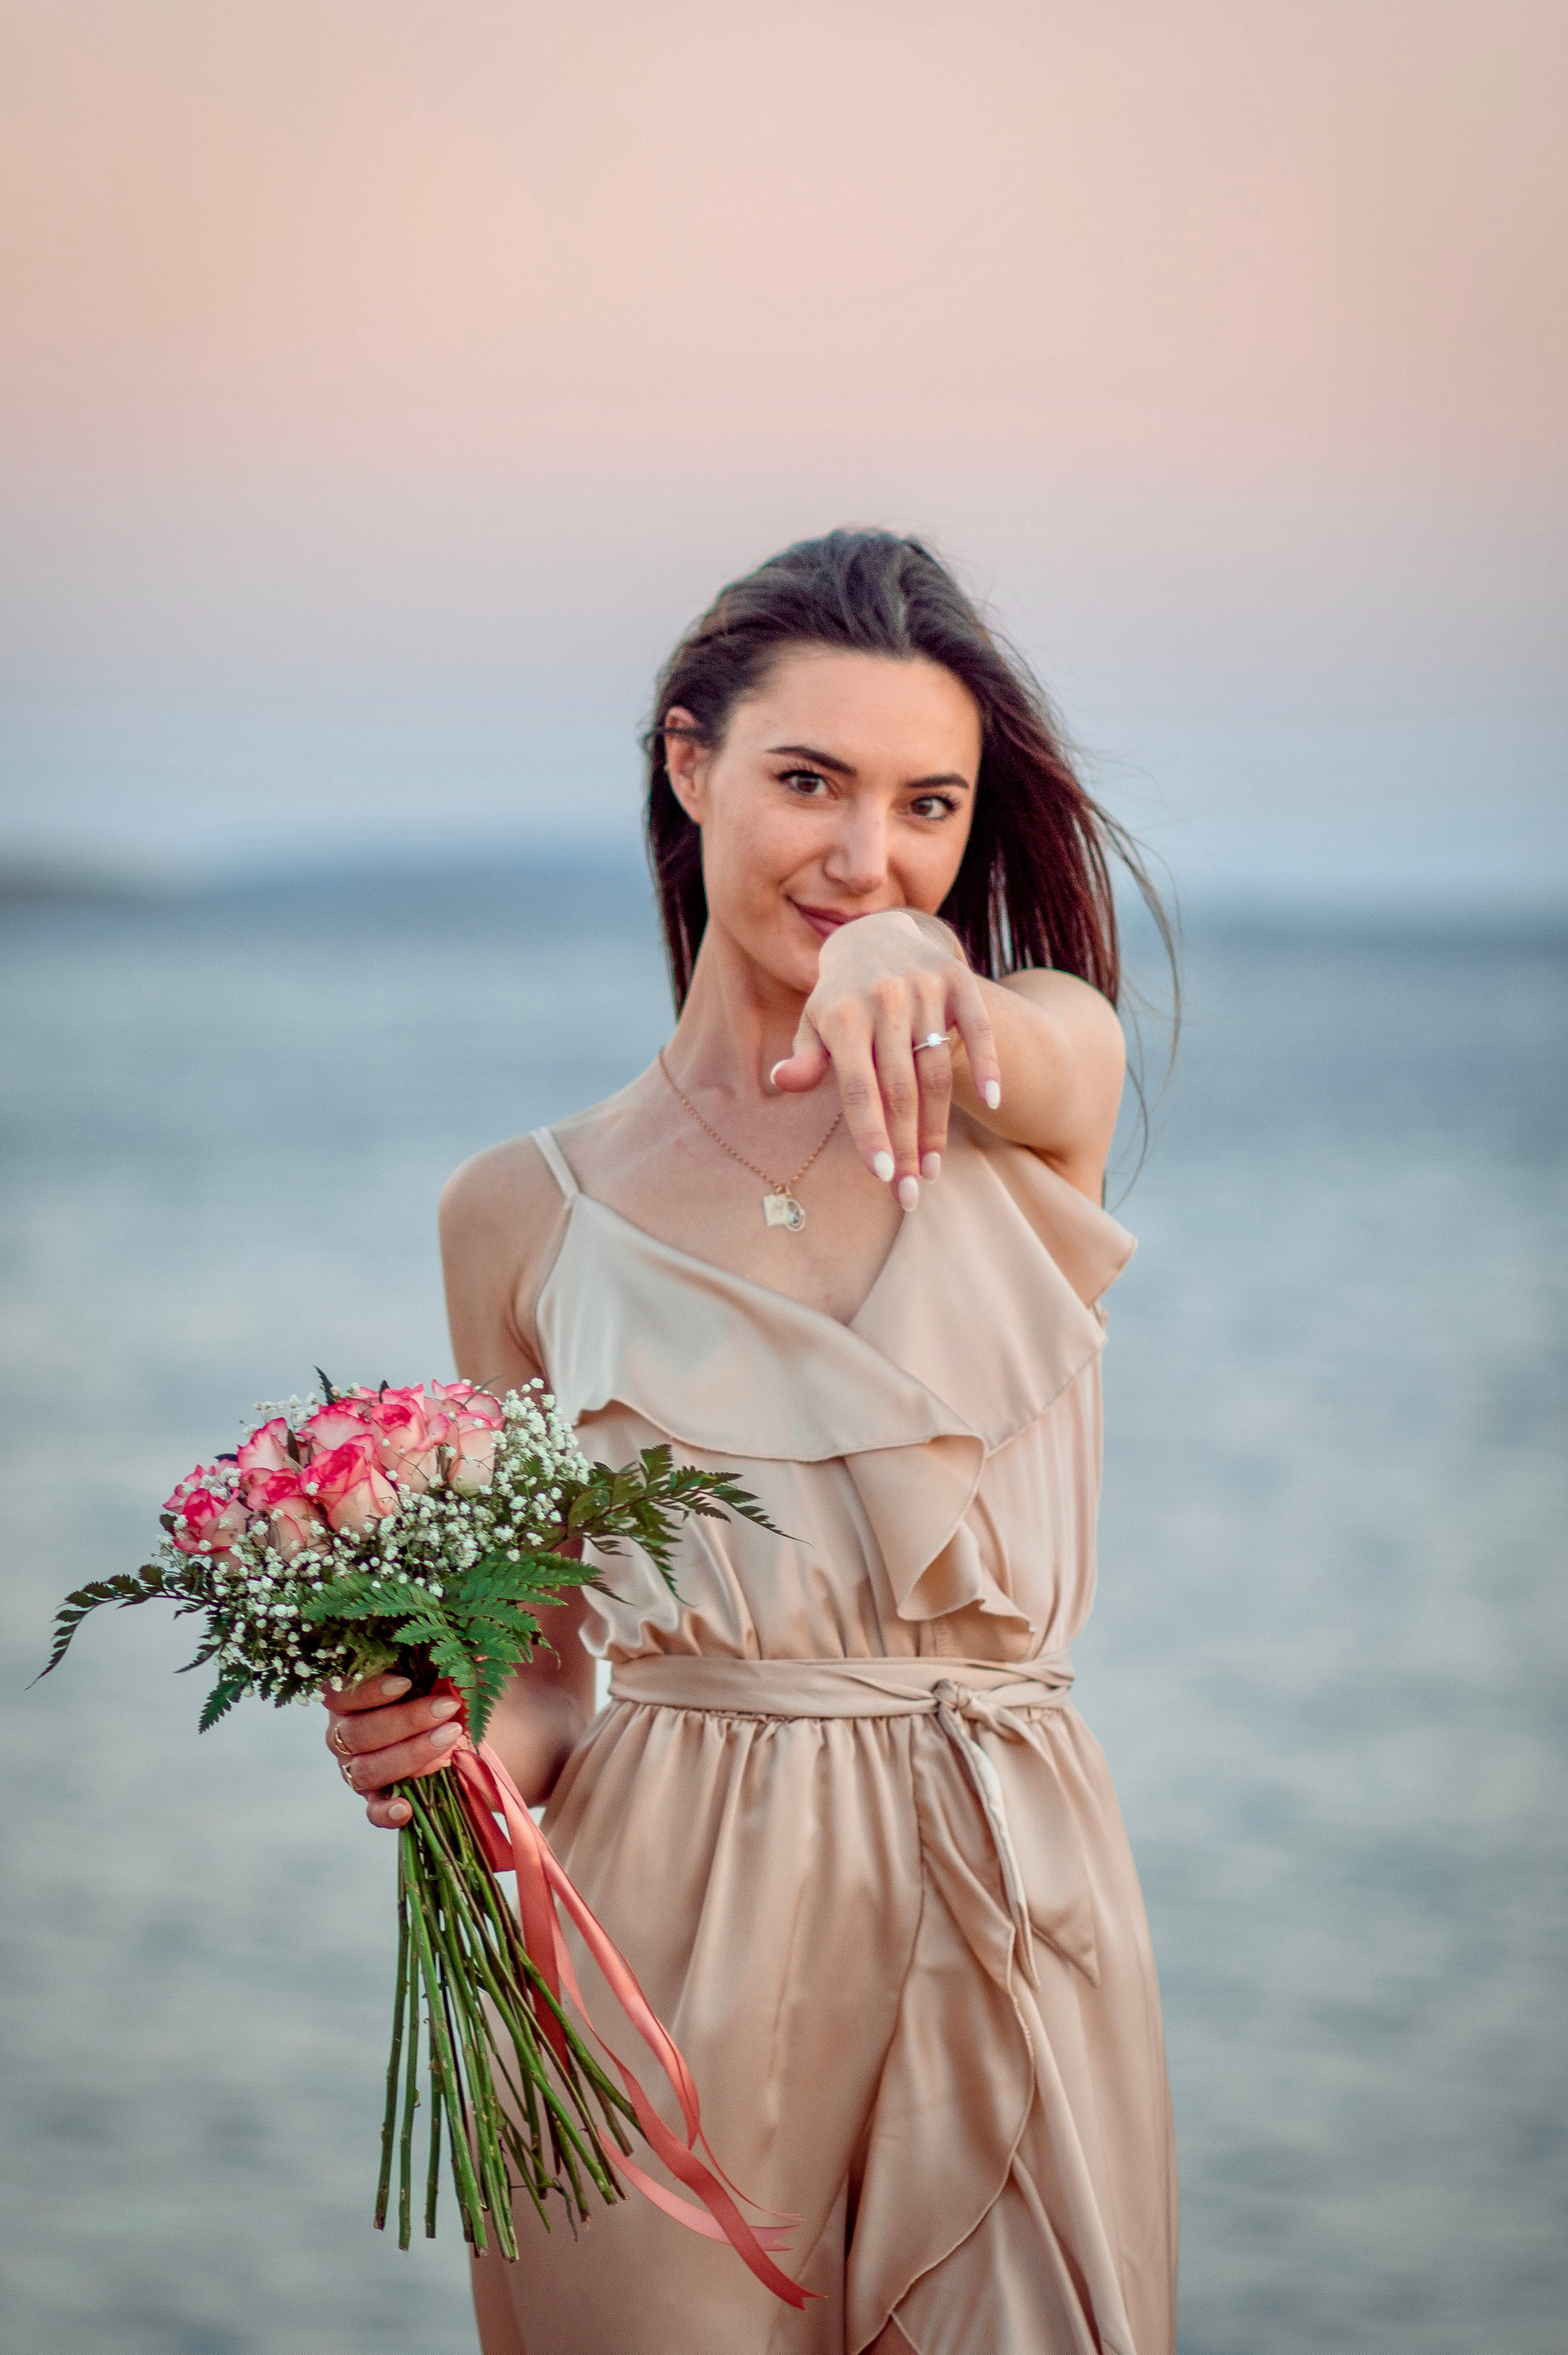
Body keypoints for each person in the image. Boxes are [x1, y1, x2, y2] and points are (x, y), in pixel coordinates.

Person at [322, 530, 1177, 2354]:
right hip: (661, 1935)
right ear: (689, 764)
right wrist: (447, 1744)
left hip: (1012, 1891)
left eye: (928, 806)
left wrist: (909, 961)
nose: (870, 857)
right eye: (809, 782)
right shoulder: (519, 1214)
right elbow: (551, 1674)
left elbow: (1029, 1030)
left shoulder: (1032, 1080)